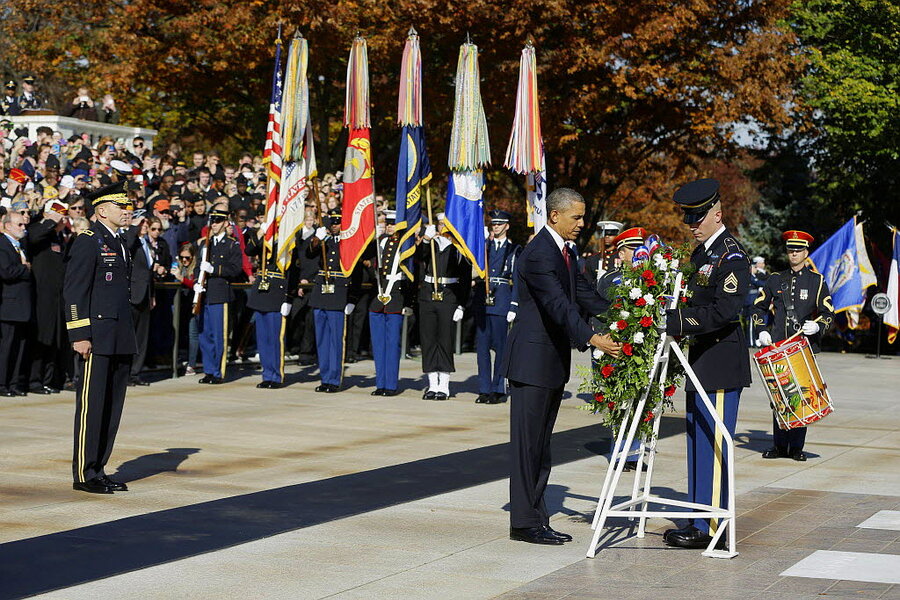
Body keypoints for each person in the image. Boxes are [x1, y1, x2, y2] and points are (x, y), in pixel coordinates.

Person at [500, 187, 621, 545]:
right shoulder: (539, 253)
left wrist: (625, 313)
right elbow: (557, 305)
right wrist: (592, 338)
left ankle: (537, 516)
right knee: (528, 446)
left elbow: (582, 294)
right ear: (555, 216)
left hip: (550, 362)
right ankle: (524, 522)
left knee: (541, 446)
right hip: (531, 363)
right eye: (577, 217)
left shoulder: (566, 251)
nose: (582, 224)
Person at [662, 178, 751, 549]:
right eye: (689, 218)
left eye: (699, 218)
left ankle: (712, 526)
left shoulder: (730, 256)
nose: (692, 225)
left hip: (719, 361)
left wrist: (676, 321)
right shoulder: (702, 255)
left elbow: (725, 310)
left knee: (713, 445)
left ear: (718, 213)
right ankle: (698, 518)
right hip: (699, 360)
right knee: (698, 443)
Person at [63, 181, 136, 493]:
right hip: (97, 334)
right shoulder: (88, 240)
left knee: (111, 406)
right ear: (102, 210)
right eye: (121, 206)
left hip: (119, 334)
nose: (126, 211)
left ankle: (99, 467)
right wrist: (79, 333)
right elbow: (75, 290)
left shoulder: (119, 241)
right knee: (92, 406)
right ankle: (84, 471)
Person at [752, 230, 834, 461]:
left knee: (802, 395)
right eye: (791, 250)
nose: (794, 254)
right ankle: (779, 445)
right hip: (778, 346)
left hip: (802, 348)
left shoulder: (816, 281)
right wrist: (762, 331)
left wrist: (818, 326)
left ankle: (796, 447)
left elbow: (828, 312)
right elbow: (758, 308)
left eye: (798, 250)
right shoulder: (776, 279)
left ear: (806, 253)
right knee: (779, 396)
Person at [597, 226, 650, 472]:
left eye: (639, 247)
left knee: (641, 400)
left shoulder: (650, 279)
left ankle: (636, 453)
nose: (637, 252)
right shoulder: (610, 280)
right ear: (621, 253)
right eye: (631, 248)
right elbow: (597, 314)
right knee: (618, 401)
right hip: (615, 348)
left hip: (640, 349)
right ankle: (619, 454)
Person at [418, 213, 472, 400]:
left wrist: (461, 305)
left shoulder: (459, 249)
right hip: (428, 294)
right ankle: (432, 384)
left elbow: (465, 280)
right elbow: (418, 258)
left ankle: (444, 385)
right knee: (428, 339)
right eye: (440, 224)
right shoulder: (431, 244)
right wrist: (426, 239)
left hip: (449, 295)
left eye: (445, 224)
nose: (442, 228)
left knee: (444, 340)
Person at [307, 209, 360, 393]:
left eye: (337, 223)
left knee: (335, 340)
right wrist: (316, 238)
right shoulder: (323, 240)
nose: (334, 226)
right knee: (322, 339)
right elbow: (309, 254)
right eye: (332, 223)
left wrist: (352, 298)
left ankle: (334, 379)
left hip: (339, 292)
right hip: (321, 291)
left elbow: (357, 272)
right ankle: (325, 377)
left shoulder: (349, 243)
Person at [473, 209, 520, 404]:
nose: (496, 227)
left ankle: (498, 388)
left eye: (500, 224)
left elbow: (517, 280)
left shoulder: (514, 250)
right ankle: (484, 388)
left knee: (501, 348)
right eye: (494, 224)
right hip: (483, 302)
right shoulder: (484, 246)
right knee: (482, 349)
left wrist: (514, 306)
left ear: (507, 226)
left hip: (501, 301)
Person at [193, 207, 243, 384]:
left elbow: (236, 269)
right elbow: (197, 267)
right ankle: (208, 369)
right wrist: (196, 283)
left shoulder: (231, 244)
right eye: (212, 221)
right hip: (204, 294)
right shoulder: (205, 244)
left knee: (218, 334)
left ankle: (218, 371)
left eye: (218, 221)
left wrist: (214, 270)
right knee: (204, 334)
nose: (214, 224)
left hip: (220, 294)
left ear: (225, 224)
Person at [27, 201, 68, 394]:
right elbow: (33, 237)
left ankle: (48, 379)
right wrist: (50, 222)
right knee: (42, 337)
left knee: (55, 339)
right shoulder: (39, 229)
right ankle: (34, 380)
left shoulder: (59, 237)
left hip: (57, 296)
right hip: (42, 294)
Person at [368, 210, 410, 396]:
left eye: (392, 223)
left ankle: (391, 385)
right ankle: (380, 383)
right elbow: (365, 256)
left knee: (392, 344)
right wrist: (373, 238)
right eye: (388, 223)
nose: (389, 226)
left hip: (395, 297)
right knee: (378, 344)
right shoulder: (381, 242)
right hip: (378, 298)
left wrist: (408, 302)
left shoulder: (405, 245)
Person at [244, 228, 291, 389]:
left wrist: (288, 297)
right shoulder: (266, 238)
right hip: (262, 290)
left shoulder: (289, 239)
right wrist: (259, 233)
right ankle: (267, 374)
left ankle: (276, 376)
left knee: (275, 338)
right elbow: (249, 250)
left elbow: (294, 270)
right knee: (263, 338)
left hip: (277, 291)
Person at [0, 211, 33, 396]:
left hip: (22, 305)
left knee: (19, 347)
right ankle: (2, 384)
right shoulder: (3, 244)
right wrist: (25, 268)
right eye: (19, 225)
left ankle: (13, 383)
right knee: (6, 347)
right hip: (9, 305)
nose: (23, 228)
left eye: (24, 225)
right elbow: (6, 272)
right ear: (7, 225)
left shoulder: (19, 245)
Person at [582, 220, 623, 284]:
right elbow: (587, 280)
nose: (607, 237)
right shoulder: (592, 259)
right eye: (605, 234)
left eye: (610, 234)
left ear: (616, 236)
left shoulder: (621, 257)